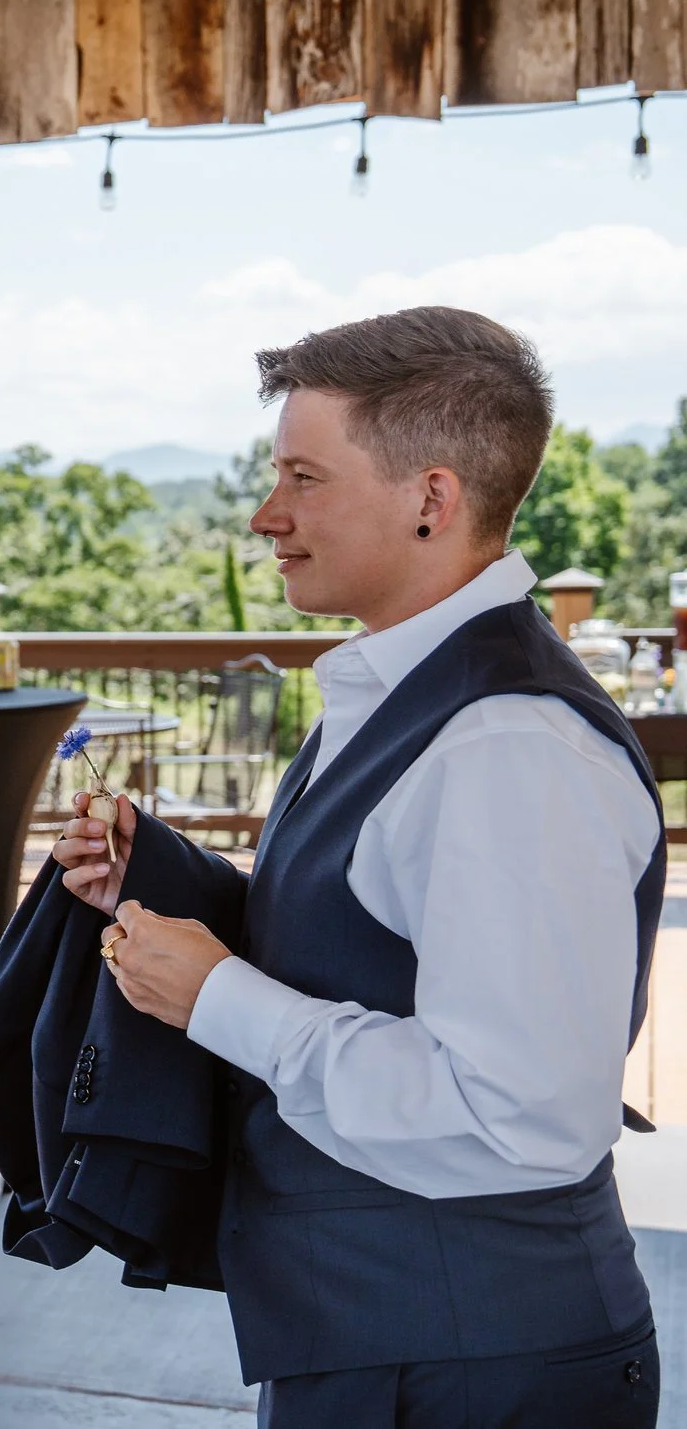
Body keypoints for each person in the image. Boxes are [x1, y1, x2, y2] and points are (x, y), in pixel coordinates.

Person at [57, 307, 664, 1426]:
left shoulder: (509, 745)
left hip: (472, 1363)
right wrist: (163, 883)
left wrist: (217, 998)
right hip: (379, 1339)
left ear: (430, 500)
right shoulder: (401, 688)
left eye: (303, 476)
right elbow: (368, 943)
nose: (264, 514)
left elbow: (521, 1116)